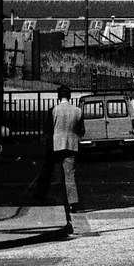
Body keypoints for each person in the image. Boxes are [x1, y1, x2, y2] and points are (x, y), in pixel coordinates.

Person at [49, 85, 85, 218]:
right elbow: (82, 130)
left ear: (58, 96)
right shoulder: (77, 111)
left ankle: (60, 201)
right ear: (70, 96)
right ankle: (73, 202)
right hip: (71, 145)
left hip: (57, 146)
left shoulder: (54, 110)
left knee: (58, 175)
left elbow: (49, 129)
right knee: (70, 175)